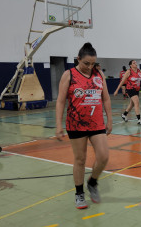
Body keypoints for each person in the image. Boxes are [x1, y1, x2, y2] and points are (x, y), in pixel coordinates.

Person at [55, 43, 112, 209]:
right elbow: (60, 101)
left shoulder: (98, 74)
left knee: (103, 156)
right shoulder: (69, 75)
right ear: (78, 59)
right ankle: (79, 193)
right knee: (80, 159)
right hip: (76, 123)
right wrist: (58, 125)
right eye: (86, 63)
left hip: (96, 123)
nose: (89, 67)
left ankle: (92, 182)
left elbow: (106, 98)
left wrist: (110, 119)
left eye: (92, 63)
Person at [113, 60, 141, 125]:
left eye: (136, 63)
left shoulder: (139, 71)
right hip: (130, 89)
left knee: (132, 104)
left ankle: (124, 115)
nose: (136, 64)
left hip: (137, 90)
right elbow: (122, 81)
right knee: (137, 103)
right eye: (134, 63)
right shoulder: (128, 71)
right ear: (130, 65)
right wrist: (117, 90)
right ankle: (139, 120)